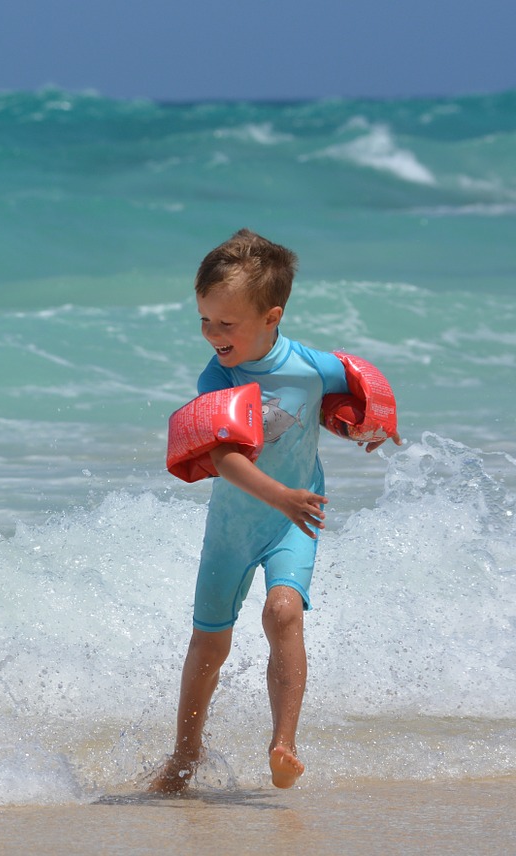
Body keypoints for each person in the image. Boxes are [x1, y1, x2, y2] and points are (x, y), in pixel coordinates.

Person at [150, 230, 401, 793]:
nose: (213, 335)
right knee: (209, 645)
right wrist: (281, 496)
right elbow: (223, 457)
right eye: (204, 322)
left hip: (294, 522)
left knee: (284, 613)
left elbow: (359, 396)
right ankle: (183, 758)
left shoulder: (314, 368)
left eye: (226, 324)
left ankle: (283, 742)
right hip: (234, 528)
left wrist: (379, 424)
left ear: (272, 316)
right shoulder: (219, 378)